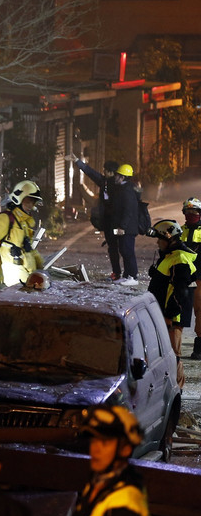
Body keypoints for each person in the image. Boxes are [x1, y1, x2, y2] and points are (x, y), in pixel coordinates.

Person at [67, 155, 141, 284]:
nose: (104, 173)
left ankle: (130, 276)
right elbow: (92, 174)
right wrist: (78, 162)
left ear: (115, 174)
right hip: (111, 223)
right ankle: (118, 274)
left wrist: (122, 226)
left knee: (126, 249)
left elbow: (128, 209)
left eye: (106, 171)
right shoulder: (107, 183)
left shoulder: (122, 188)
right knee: (114, 248)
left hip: (120, 224)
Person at [145, 219, 197, 389]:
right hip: (164, 315)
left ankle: (176, 392)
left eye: (160, 239)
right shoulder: (170, 256)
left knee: (173, 357)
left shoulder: (179, 259)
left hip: (171, 319)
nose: (158, 243)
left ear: (170, 239)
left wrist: (169, 316)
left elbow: (180, 292)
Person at [0, 181, 46, 288]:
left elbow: (28, 249)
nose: (30, 206)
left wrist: (40, 266)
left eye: (32, 202)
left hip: (26, 278)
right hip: (12, 280)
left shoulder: (23, 223)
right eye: (28, 202)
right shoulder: (6, 219)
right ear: (19, 199)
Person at [180, 198, 201, 360]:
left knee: (200, 311)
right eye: (187, 212)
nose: (190, 215)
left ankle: (199, 346)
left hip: (199, 276)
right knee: (180, 311)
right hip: (184, 277)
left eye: (194, 211)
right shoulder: (181, 230)